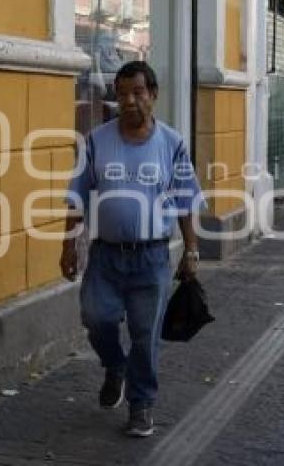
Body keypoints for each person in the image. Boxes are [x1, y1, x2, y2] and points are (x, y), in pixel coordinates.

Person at [60, 61, 205, 437]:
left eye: (137, 92)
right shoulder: (96, 140)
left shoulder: (172, 144)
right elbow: (76, 196)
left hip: (152, 257)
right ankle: (115, 365)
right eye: (121, 93)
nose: (128, 100)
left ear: (153, 95)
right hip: (106, 254)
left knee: (145, 334)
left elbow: (185, 199)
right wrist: (68, 245)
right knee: (96, 318)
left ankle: (141, 405)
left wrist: (191, 249)